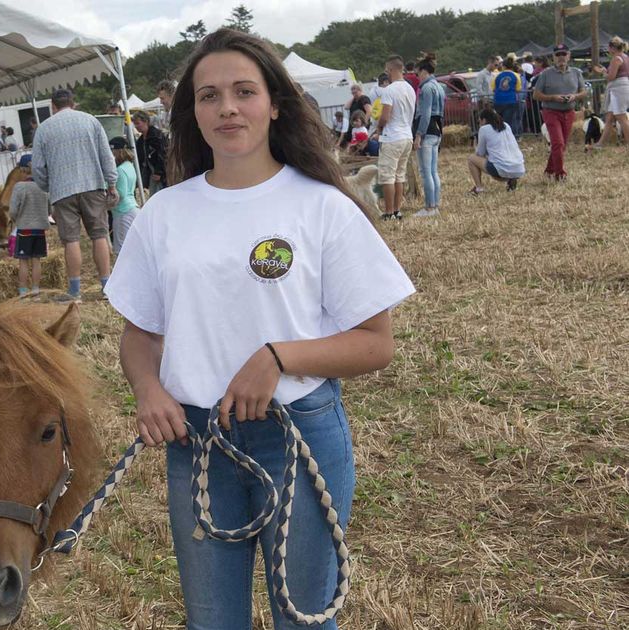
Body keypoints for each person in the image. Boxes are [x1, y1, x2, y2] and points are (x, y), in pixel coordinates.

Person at [104, 28, 414, 630]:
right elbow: (140, 334)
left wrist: (278, 356)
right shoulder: (164, 212)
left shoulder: (322, 206)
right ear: (190, 112)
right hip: (196, 446)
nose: (227, 108)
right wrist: (147, 390)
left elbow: (376, 342)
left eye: (244, 91)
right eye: (208, 95)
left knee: (304, 620)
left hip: (298, 439)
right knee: (212, 622)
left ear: (274, 102)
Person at [31, 87, 119, 302]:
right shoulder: (90, 121)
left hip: (62, 191)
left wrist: (47, 186)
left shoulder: (44, 129)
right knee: (99, 235)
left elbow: (37, 168)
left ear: (53, 106)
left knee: (71, 240)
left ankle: (75, 291)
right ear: (74, 102)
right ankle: (106, 286)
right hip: (92, 184)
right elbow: (105, 155)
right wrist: (112, 183)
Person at [532, 44, 586, 181]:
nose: (561, 57)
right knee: (558, 143)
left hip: (569, 112)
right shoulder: (545, 74)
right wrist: (553, 97)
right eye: (558, 55)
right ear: (553, 58)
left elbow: (583, 91)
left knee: (561, 145)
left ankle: (549, 170)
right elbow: (536, 95)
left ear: (569, 56)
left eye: (564, 54)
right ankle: (560, 174)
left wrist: (574, 96)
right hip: (551, 112)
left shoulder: (576, 73)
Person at [373, 56, 417, 220]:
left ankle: (389, 212)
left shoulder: (389, 90)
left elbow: (385, 117)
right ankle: (397, 210)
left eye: (387, 70)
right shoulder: (410, 89)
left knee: (387, 176)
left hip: (392, 137)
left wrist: (378, 128)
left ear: (391, 70)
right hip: (407, 136)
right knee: (400, 175)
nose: (386, 73)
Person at [8, 154, 50, 296]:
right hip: (40, 229)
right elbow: (49, 208)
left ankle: (23, 291)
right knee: (36, 260)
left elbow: (12, 210)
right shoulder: (43, 186)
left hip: (24, 229)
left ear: (22, 170)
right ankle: (36, 289)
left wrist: (16, 219)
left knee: (24, 261)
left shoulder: (19, 187)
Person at [413, 58, 445, 217]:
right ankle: (435, 204)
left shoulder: (426, 88)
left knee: (426, 172)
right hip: (437, 130)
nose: (416, 76)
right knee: (433, 171)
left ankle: (429, 207)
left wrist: (419, 135)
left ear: (423, 71)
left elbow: (425, 114)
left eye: (417, 72)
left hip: (427, 131)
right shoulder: (439, 87)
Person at [468, 109, 526, 193]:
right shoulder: (506, 125)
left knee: (471, 159)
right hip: (519, 167)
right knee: (498, 162)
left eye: (479, 121)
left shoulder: (484, 129)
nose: (479, 124)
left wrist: (475, 145)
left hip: (501, 168)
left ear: (483, 120)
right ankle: (511, 179)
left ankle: (479, 188)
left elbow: (480, 153)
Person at [589, 35, 629, 149]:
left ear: (612, 47)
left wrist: (602, 73)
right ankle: (600, 144)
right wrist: (604, 70)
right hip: (620, 87)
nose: (608, 50)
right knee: (609, 118)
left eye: (609, 48)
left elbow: (611, 77)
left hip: (618, 89)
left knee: (621, 117)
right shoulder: (625, 57)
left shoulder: (616, 59)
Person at [107, 136, 139, 255]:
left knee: (121, 250)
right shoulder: (129, 165)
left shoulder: (120, 170)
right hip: (133, 208)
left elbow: (120, 194)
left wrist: (106, 203)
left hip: (122, 212)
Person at [132, 111, 168, 193]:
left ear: (146, 121)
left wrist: (159, 171)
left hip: (158, 172)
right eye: (135, 124)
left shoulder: (156, 136)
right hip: (149, 172)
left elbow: (163, 154)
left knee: (159, 193)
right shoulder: (140, 141)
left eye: (138, 123)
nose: (136, 126)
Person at [493, 57, 524, 139]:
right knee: (509, 122)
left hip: (498, 101)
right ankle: (510, 138)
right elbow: (518, 89)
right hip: (511, 101)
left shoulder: (497, 75)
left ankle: (499, 137)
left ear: (503, 66)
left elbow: (493, 88)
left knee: (498, 121)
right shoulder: (516, 75)